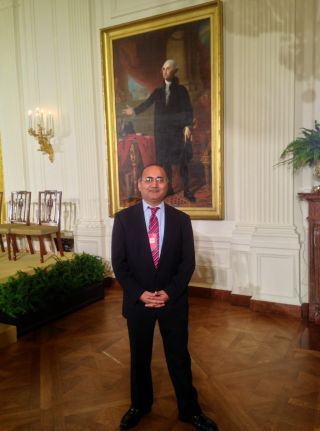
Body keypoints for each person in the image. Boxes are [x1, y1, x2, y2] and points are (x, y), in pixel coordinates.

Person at [111, 164, 218, 431]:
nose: (154, 184)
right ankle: (139, 405)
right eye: (149, 179)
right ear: (139, 184)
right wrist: (140, 294)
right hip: (138, 302)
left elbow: (187, 264)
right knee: (139, 356)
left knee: (179, 356)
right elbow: (119, 264)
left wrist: (169, 292)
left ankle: (189, 410)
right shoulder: (123, 219)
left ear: (167, 184)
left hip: (174, 302)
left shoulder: (181, 220)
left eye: (160, 179)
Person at [122, 59, 195, 202]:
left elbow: (188, 109)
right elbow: (147, 103)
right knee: (165, 163)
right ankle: (169, 189)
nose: (164, 71)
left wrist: (187, 126)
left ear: (174, 71)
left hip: (177, 133)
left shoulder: (182, 90)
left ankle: (187, 190)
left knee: (182, 162)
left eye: (168, 69)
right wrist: (134, 111)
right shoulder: (158, 91)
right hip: (162, 134)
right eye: (163, 69)